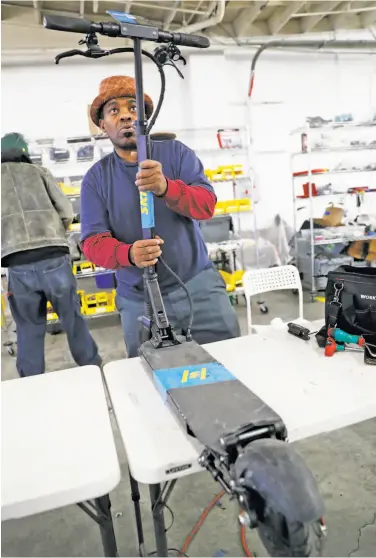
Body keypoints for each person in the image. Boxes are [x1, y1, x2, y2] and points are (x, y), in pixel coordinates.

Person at [81, 75, 241, 358]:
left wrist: (167, 187)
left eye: (133, 108)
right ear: (103, 125)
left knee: (229, 362)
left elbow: (206, 206)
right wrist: (128, 254)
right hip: (139, 299)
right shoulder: (96, 179)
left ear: (145, 117)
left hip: (198, 288)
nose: (126, 116)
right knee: (151, 382)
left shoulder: (177, 154)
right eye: (114, 111)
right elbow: (92, 243)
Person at [1, 133, 101, 377]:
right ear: (24, 150)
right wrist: (57, 231)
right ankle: (92, 370)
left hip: (17, 264)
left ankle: (32, 384)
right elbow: (66, 211)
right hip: (53, 258)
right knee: (72, 319)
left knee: (28, 328)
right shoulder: (39, 172)